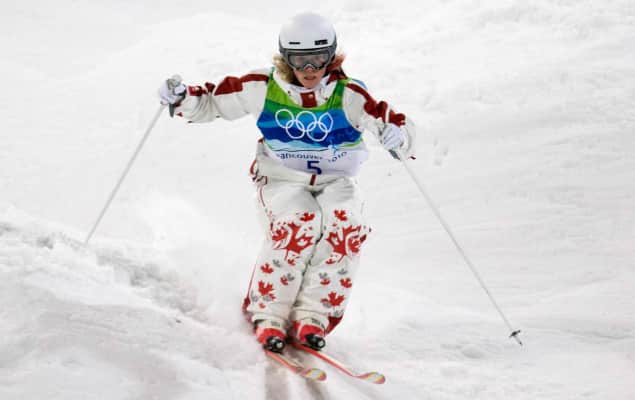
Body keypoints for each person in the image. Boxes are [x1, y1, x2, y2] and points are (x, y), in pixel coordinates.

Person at [158, 12, 416, 353]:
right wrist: (182, 98)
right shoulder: (263, 87)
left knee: (345, 224)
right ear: (285, 58)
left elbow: (388, 120)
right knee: (300, 221)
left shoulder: (349, 93)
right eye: (299, 60)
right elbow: (211, 102)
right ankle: (268, 314)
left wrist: (398, 136)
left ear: (331, 56)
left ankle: (313, 316)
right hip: (282, 179)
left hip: (335, 180)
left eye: (318, 59)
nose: (309, 69)